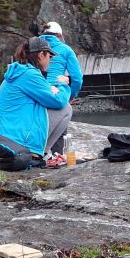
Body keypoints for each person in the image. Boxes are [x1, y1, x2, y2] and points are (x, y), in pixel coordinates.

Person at [0, 37, 71, 171]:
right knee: (66, 108)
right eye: (49, 56)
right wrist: (63, 84)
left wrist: (51, 89)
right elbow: (58, 101)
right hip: (12, 138)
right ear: (41, 55)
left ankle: (38, 153)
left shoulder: (20, 72)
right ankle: (39, 154)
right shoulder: (30, 75)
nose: (51, 60)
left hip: (0, 136)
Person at [39, 21, 83, 158]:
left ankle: (39, 154)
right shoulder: (65, 49)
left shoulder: (33, 47)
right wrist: (71, 95)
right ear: (59, 35)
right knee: (60, 130)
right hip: (56, 92)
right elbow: (77, 78)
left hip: (36, 92)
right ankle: (56, 157)